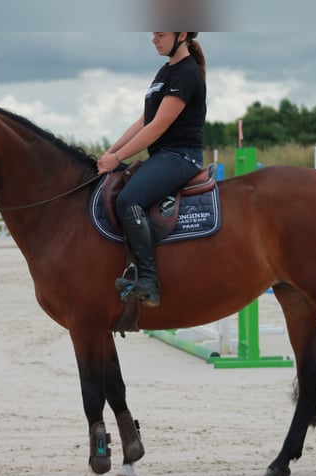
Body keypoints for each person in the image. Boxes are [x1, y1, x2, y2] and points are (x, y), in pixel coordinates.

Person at [97, 32, 207, 308]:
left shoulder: (187, 74)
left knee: (129, 199)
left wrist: (120, 155)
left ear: (181, 35)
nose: (153, 40)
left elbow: (158, 127)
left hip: (181, 156)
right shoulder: (166, 71)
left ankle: (148, 280)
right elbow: (145, 120)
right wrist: (111, 153)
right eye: (153, 34)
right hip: (162, 155)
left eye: (160, 35)